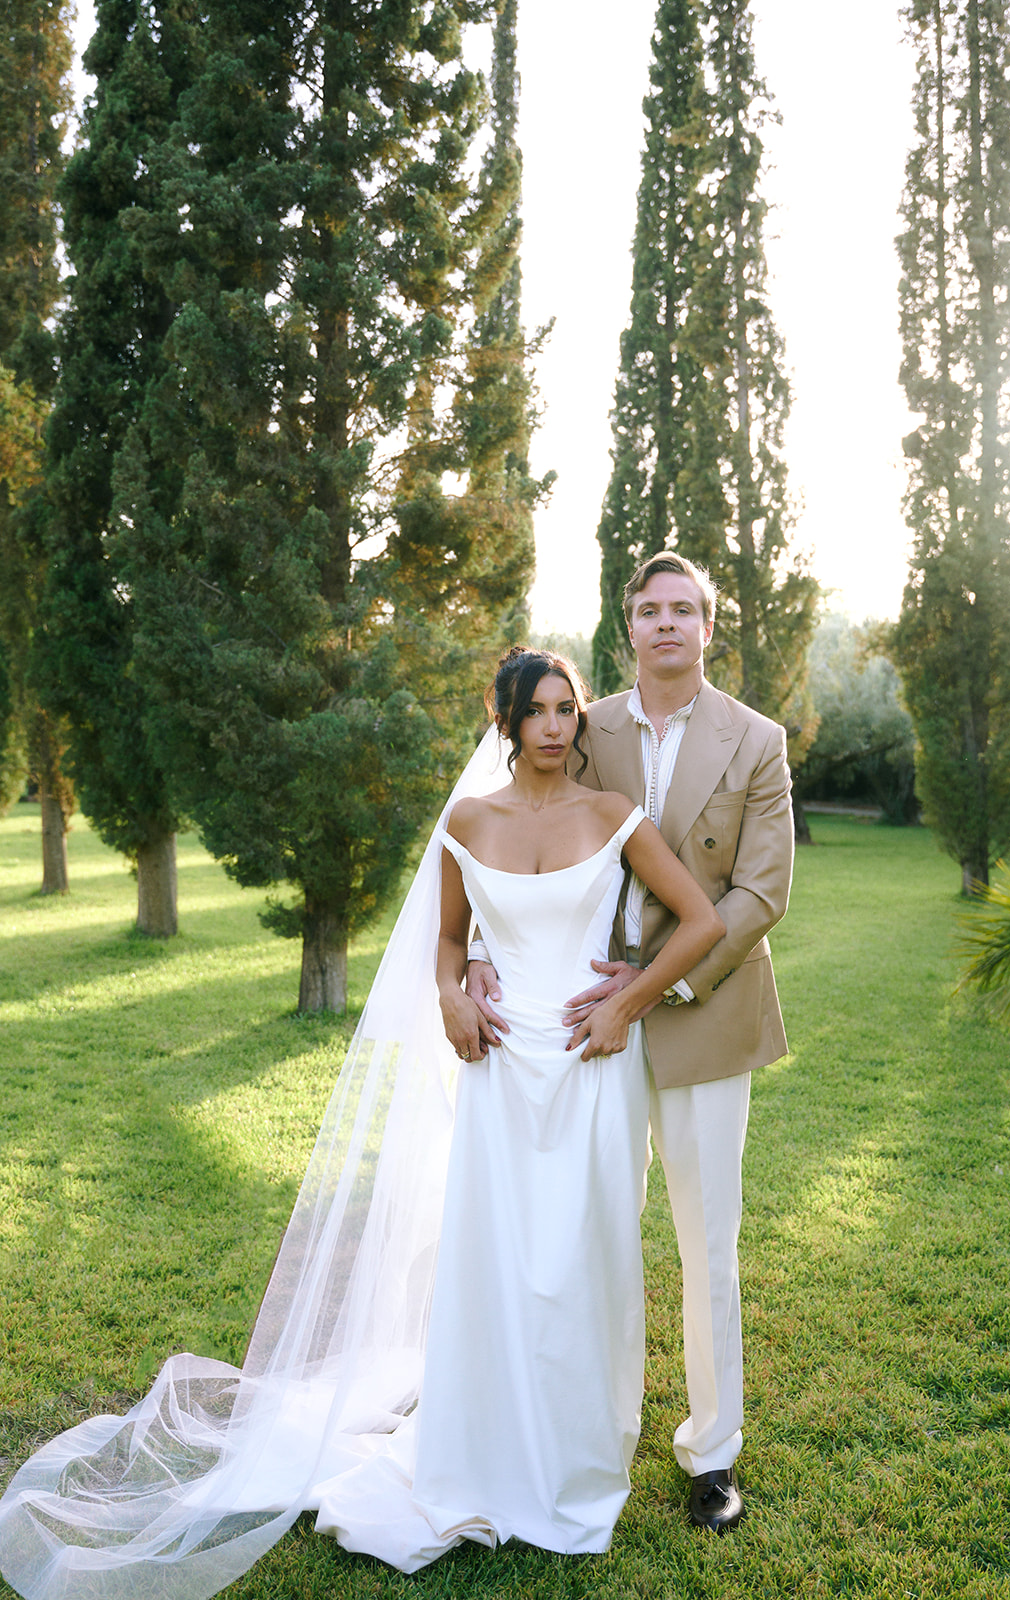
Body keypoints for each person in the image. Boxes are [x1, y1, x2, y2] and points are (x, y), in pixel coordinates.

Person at [0, 647, 723, 1598]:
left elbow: (702, 921)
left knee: (588, 1264)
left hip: (593, 1066)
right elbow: (450, 939)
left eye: (565, 710)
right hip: (500, 1068)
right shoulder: (467, 822)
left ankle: (578, 1463)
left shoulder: (612, 815)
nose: (553, 727)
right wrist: (451, 994)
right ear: (504, 722)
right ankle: (485, 1451)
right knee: (497, 1263)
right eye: (535, 711)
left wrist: (627, 1002)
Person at [469, 554, 794, 1534]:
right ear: (629, 624)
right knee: (582, 1234)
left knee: (706, 1245)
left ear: (707, 626)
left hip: (703, 1010)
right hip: (582, 1024)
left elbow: (759, 892)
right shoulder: (579, 721)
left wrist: (651, 988)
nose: (666, 624)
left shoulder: (756, 739)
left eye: (682, 610)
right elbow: (517, 835)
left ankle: (711, 1454)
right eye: (649, 609)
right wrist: (477, 952)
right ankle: (577, 1432)